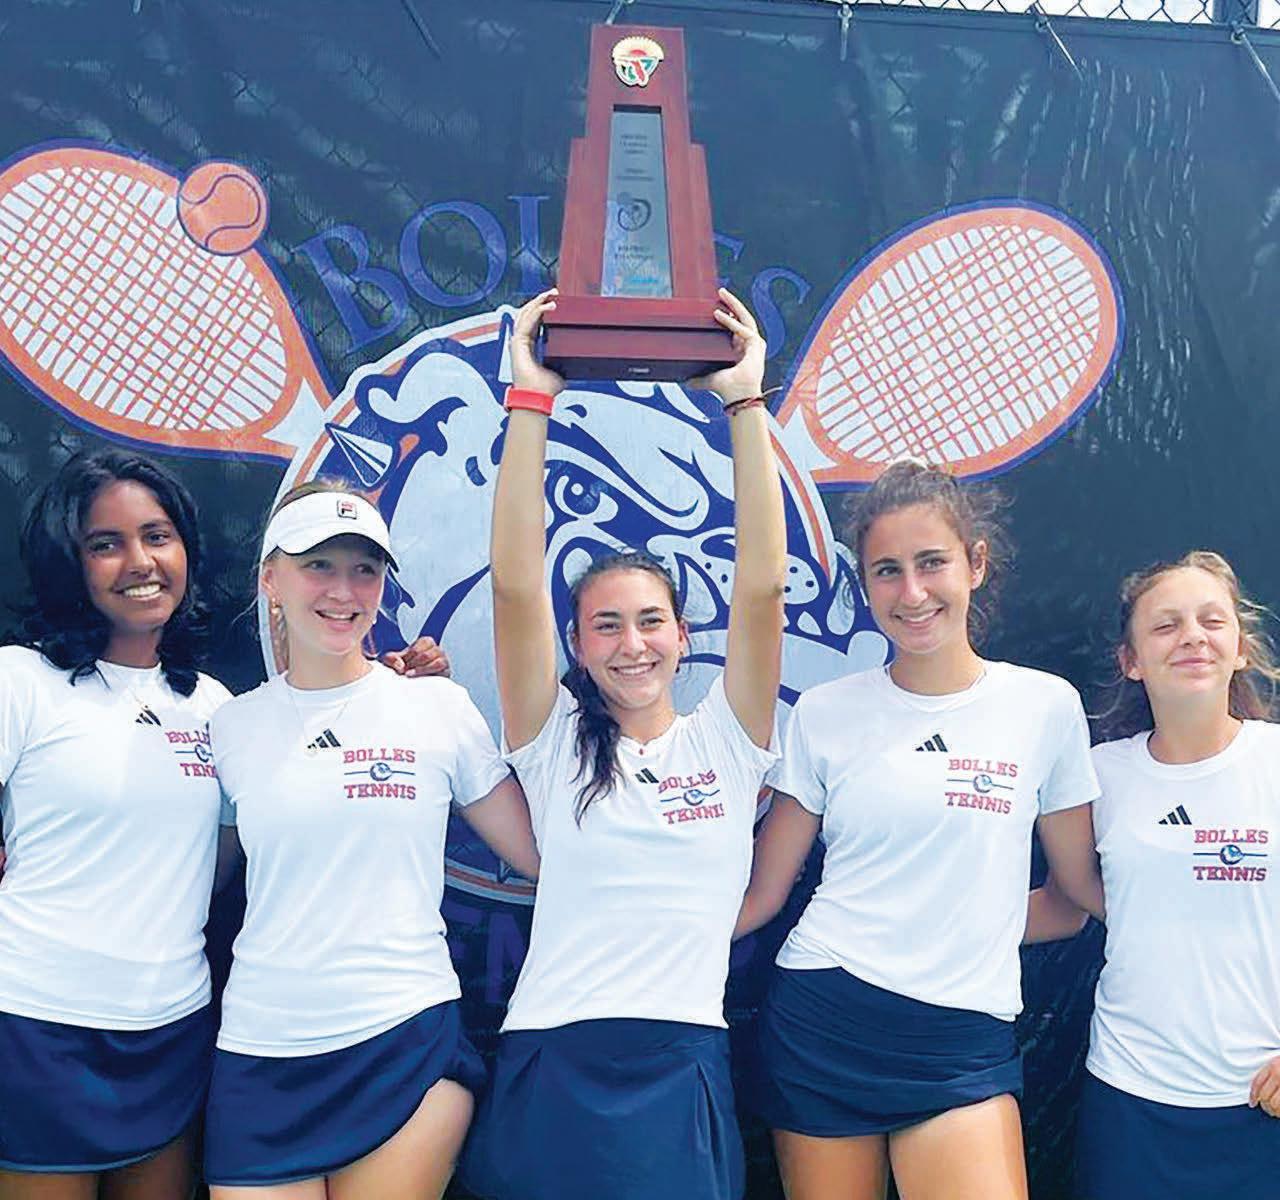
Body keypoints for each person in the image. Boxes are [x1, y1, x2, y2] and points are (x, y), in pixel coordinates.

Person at [459, 287, 786, 1200]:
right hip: (552, 1055)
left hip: (681, 1060)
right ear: (576, 645)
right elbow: (515, 588)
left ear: (684, 636)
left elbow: (763, 588)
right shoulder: (552, 740)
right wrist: (532, 398)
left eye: (650, 622)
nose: (631, 644)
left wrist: (744, 403)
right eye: (605, 625)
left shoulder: (730, 740)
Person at [734, 459, 1102, 1200]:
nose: (911, 593)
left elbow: (1074, 900)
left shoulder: (1045, 707)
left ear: (976, 563)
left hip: (962, 1041)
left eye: (931, 563)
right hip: (823, 1021)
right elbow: (764, 894)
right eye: (887, 571)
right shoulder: (824, 713)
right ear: (864, 585)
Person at [203, 479, 539, 1200]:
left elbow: (542, 856)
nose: (343, 590)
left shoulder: (436, 707)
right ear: (271, 578)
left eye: (364, 569)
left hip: (403, 1042)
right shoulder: (229, 726)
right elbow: (198, 877)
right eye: (318, 565)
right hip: (260, 1052)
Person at [0, 449, 229, 1199]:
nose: (141, 562)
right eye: (106, 543)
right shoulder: (20, 682)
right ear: (67, 562)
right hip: (35, 1027)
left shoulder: (217, 707)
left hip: (172, 1028)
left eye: (157, 536)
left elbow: (223, 857)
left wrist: (401, 684)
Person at [1029, 551, 1280, 1199]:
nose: (1192, 636)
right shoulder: (1099, 774)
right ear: (1131, 660)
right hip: (1129, 1099)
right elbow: (1072, 898)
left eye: (1212, 621)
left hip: (1263, 1103)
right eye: (1166, 625)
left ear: (1240, 648)